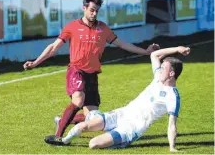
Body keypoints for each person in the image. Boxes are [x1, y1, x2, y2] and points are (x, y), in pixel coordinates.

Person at [23, 0, 159, 144]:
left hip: (92, 75)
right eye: (92, 10)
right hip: (76, 70)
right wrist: (35, 62)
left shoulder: (103, 28)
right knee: (78, 99)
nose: (94, 14)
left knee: (94, 118)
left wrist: (145, 51)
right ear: (84, 8)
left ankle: (63, 120)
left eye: (97, 11)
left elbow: (122, 44)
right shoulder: (72, 26)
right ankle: (58, 136)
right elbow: (53, 47)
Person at [52, 46, 190, 152]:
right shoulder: (157, 78)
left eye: (163, 68)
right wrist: (177, 49)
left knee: (93, 144)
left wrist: (172, 147)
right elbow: (154, 54)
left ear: (171, 74)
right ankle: (64, 141)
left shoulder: (173, 96)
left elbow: (172, 124)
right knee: (83, 126)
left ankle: (121, 142)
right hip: (122, 114)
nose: (159, 70)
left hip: (132, 127)